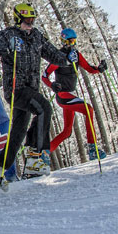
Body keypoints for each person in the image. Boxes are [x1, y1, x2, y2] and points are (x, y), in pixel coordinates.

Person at [0, 3, 69, 191]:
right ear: (17, 20)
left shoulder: (37, 36)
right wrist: (6, 48)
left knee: (19, 131)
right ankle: (35, 155)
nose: (30, 23)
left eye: (32, 20)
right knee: (44, 108)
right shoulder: (9, 34)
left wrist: (68, 55)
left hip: (31, 89)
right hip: (16, 89)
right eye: (26, 20)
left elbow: (54, 54)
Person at [43, 28, 108, 160]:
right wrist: (52, 85)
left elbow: (89, 68)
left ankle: (43, 153)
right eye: (70, 41)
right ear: (64, 41)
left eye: (74, 41)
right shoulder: (59, 57)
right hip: (63, 95)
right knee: (88, 109)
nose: (73, 44)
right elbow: (44, 76)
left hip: (70, 95)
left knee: (67, 132)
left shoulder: (76, 55)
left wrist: (99, 69)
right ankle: (92, 148)